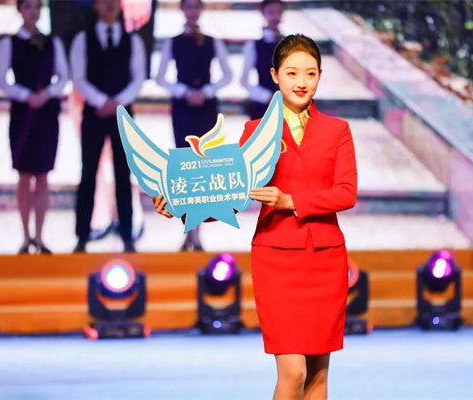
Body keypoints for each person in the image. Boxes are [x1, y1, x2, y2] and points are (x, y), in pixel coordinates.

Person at [153, 34, 357, 399]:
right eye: (292, 73)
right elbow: (233, 198)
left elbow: (346, 192)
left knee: (317, 376)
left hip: (324, 259)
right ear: (274, 76)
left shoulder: (337, 130)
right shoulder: (256, 131)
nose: (301, 82)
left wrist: (291, 200)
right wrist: (184, 208)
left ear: (319, 76)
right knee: (293, 372)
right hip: (276, 259)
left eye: (310, 73)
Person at [70, 0, 146, 253]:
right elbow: (78, 78)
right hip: (94, 113)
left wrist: (117, 103)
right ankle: (82, 236)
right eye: (104, 1)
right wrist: (101, 102)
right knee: (88, 172)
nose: (110, 4)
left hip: (123, 116)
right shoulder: (83, 39)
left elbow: (138, 78)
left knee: (123, 173)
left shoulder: (133, 40)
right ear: (95, 6)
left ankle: (126, 234)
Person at [155, 0, 231, 251]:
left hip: (206, 108)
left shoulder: (212, 41)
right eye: (188, 7)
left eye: (196, 7)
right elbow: (160, 77)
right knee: (185, 169)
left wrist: (207, 91)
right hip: (183, 108)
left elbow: (227, 74)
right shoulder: (173, 42)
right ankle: (188, 229)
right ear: (182, 10)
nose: (192, 12)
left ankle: (198, 233)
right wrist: (184, 91)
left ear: (201, 10)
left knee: (204, 169)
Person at [0, 0, 68, 254]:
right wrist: (25, 95)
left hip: (46, 113)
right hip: (23, 113)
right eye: (28, 7)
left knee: (43, 175)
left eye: (37, 7)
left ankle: (39, 236)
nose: (33, 12)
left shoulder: (53, 42)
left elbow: (63, 77)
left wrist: (46, 94)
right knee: (24, 174)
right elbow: (1, 80)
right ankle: (25, 236)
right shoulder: (10, 43)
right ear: (20, 10)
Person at [240, 0, 285, 120]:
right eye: (271, 12)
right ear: (263, 13)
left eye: (279, 12)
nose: (275, 17)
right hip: (262, 105)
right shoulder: (253, 45)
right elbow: (244, 80)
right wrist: (266, 97)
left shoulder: (292, 44)